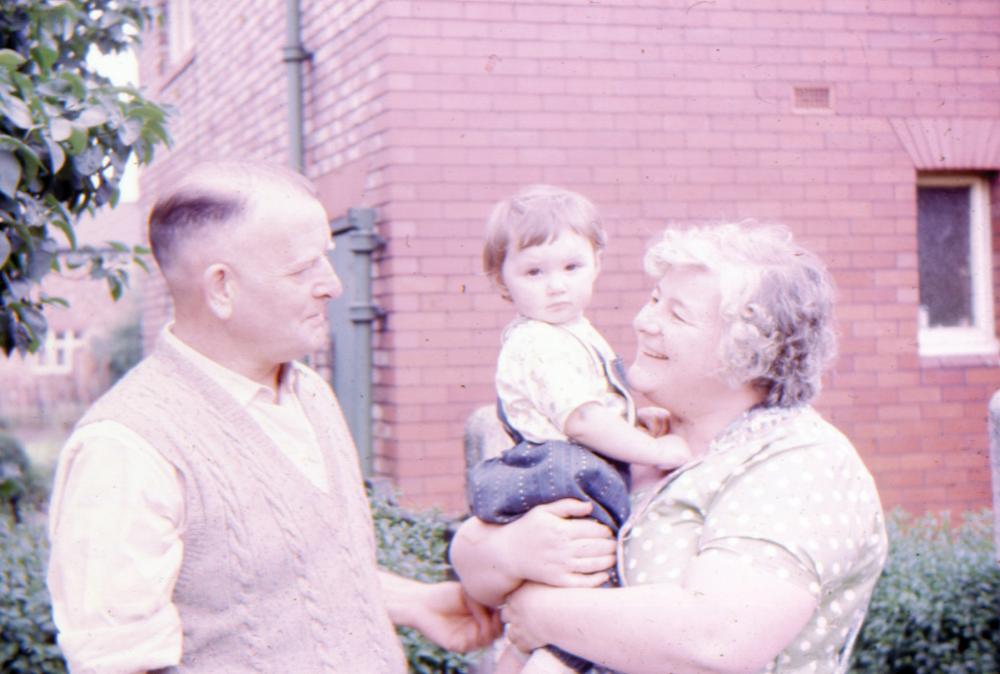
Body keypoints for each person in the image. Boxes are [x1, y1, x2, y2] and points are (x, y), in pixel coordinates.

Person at [46, 161, 499, 674]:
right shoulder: (126, 447)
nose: (333, 285)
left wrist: (415, 603)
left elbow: (283, 578)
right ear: (221, 287)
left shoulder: (308, 392)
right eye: (304, 268)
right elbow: (118, 663)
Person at [452, 222, 888, 674]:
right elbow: (470, 561)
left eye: (676, 315)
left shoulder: (801, 462)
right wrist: (511, 552)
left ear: (750, 352)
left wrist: (536, 612)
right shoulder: (640, 439)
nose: (644, 321)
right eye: (656, 299)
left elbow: (717, 640)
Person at [467, 185, 690, 674]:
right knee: (595, 582)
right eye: (534, 272)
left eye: (572, 267)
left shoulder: (571, 329)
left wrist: (629, 420)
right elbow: (582, 420)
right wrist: (652, 448)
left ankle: (523, 654)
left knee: (557, 602)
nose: (556, 286)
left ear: (597, 263)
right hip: (561, 470)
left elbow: (596, 406)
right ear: (502, 283)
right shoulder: (541, 343)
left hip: (571, 462)